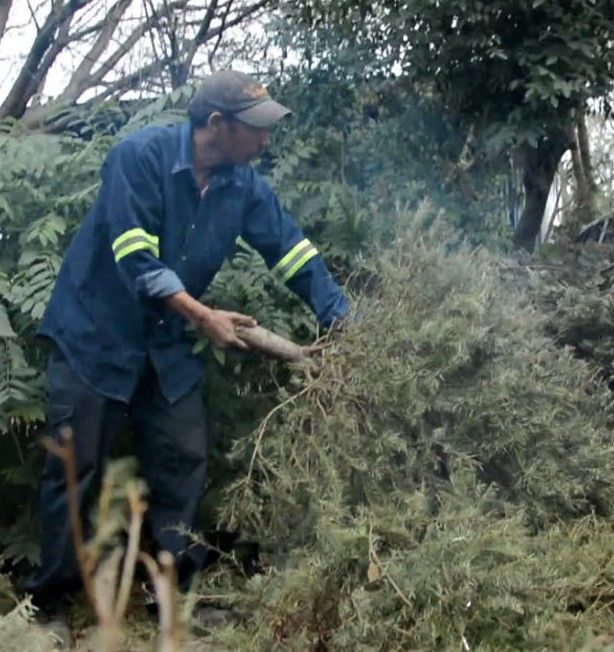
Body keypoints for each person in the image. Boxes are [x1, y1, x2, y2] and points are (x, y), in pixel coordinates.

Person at [22, 70, 349, 641]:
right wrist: (205, 317)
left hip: (165, 345)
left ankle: (174, 597)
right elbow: (136, 262)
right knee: (77, 470)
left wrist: (342, 320)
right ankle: (49, 605)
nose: (266, 141)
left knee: (182, 461)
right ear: (217, 125)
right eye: (257, 129)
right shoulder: (138, 157)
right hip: (95, 336)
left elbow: (292, 251)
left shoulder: (242, 185)